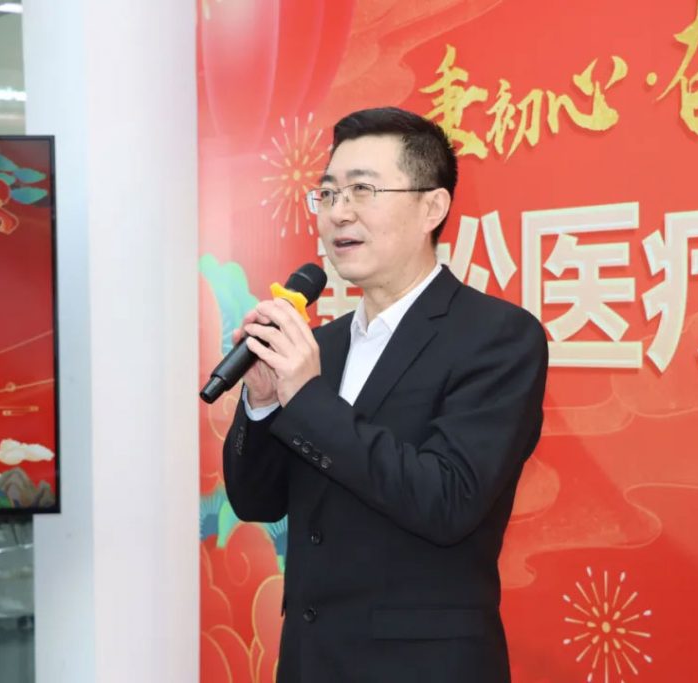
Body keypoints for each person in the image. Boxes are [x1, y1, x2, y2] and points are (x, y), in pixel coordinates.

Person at [223, 106, 548, 683]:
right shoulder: (323, 345)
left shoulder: (499, 337)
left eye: (363, 190)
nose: (338, 212)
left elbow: (447, 501)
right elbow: (257, 503)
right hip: (309, 661)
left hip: (422, 667)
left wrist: (307, 397)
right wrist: (266, 401)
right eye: (328, 193)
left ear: (432, 207)